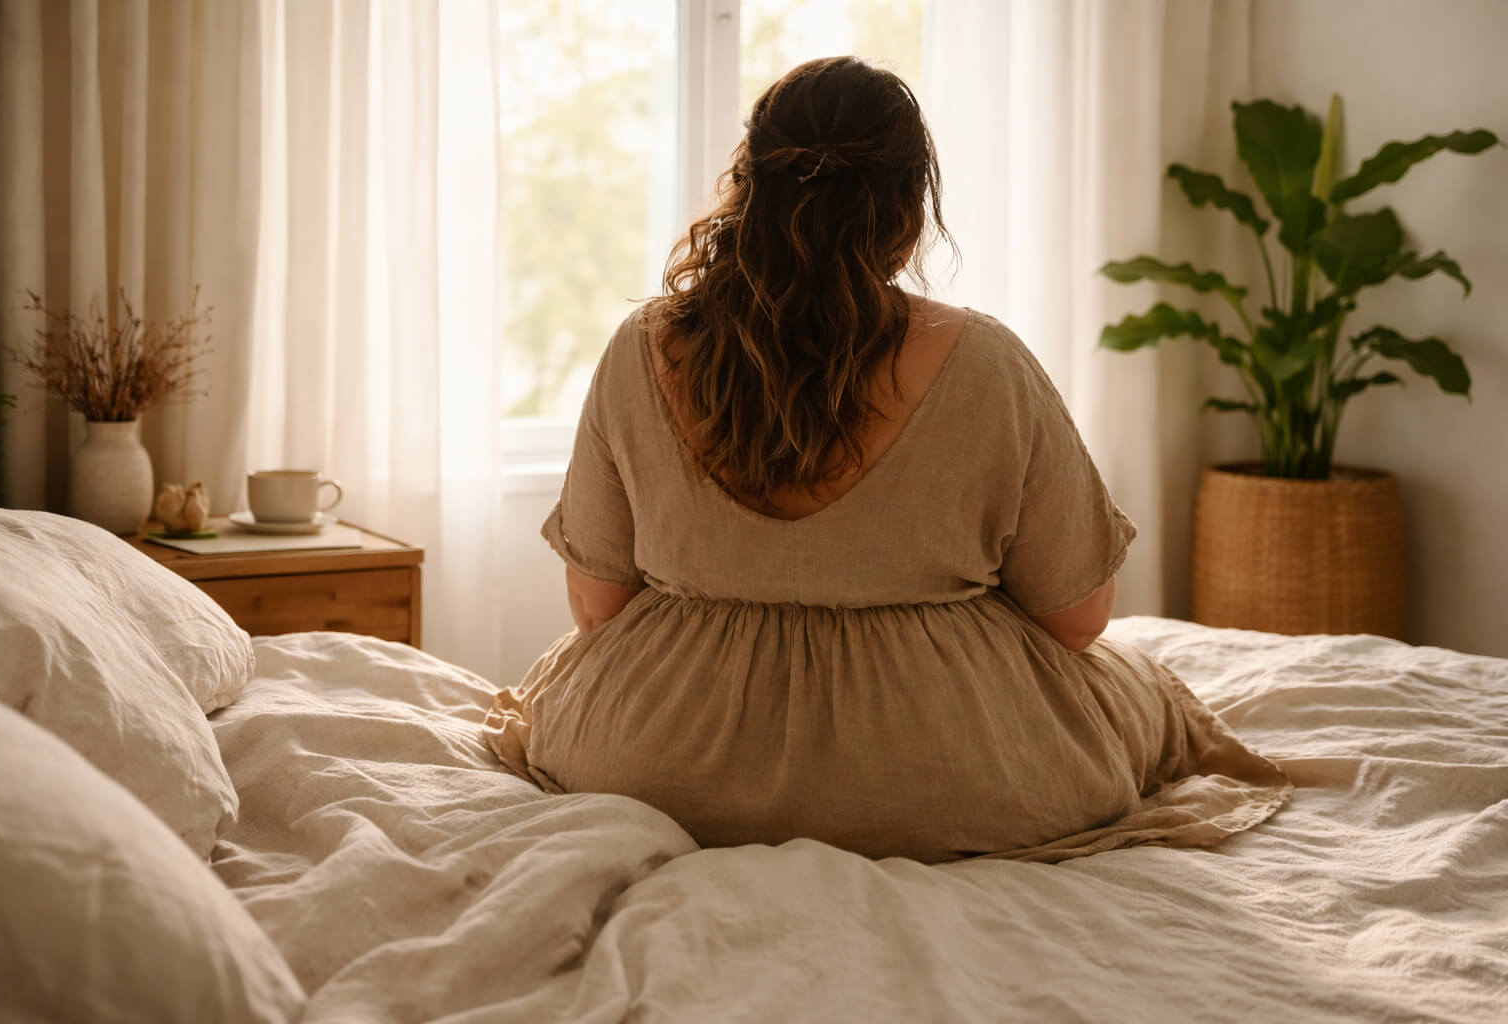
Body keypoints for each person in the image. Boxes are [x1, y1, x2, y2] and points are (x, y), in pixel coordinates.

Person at [482, 56, 1289, 863]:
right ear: (907, 210)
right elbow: (1077, 619)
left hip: (658, 763)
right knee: (1139, 685)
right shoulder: (985, 361)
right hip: (958, 774)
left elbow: (598, 608)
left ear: (750, 190)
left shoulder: (642, 348)